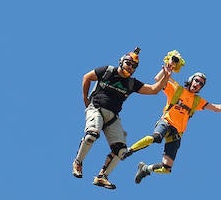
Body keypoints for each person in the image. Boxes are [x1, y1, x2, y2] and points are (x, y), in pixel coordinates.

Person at [71, 48, 173, 189]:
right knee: (92, 135)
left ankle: (102, 177)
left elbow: (154, 90)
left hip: (113, 117)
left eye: (134, 66)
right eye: (128, 63)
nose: (130, 67)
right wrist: (85, 99)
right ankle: (78, 162)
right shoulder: (108, 71)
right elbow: (86, 77)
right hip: (96, 109)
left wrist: (166, 76)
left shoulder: (131, 83)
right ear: (121, 61)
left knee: (121, 150)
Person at [125, 71, 221, 184]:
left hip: (178, 133)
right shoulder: (177, 89)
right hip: (166, 122)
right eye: (197, 80)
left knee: (166, 168)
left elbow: (216, 108)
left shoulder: (197, 101)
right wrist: (168, 69)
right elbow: (157, 78)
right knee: (156, 137)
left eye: (201, 83)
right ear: (191, 80)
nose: (198, 84)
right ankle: (129, 150)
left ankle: (145, 169)